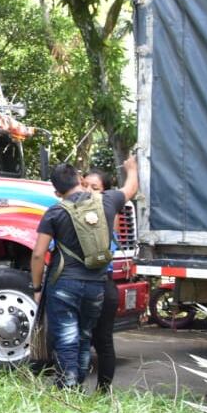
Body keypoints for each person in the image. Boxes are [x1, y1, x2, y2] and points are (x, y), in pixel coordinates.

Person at [31, 157, 138, 388]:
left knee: (66, 339)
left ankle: (69, 389)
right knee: (83, 337)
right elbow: (131, 188)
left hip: (64, 285)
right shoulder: (107, 201)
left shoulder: (54, 212)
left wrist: (37, 288)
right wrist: (131, 169)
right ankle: (77, 383)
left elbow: (39, 254)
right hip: (96, 286)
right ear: (80, 179)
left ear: (57, 192)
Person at [83, 167, 120, 394]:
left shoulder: (105, 224)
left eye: (94, 188)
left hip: (98, 286)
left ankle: (102, 392)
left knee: (102, 341)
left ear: (105, 194)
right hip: (99, 287)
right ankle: (74, 390)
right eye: (85, 185)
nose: (88, 191)